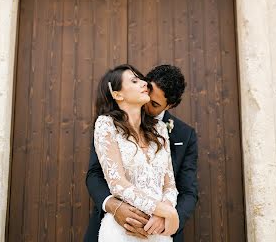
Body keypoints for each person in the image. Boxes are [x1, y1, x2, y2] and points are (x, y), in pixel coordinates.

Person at [85, 64, 198, 242]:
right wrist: (114, 206)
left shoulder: (170, 131)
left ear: (169, 106)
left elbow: (183, 189)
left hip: (160, 232)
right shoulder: (107, 125)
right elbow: (96, 174)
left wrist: (166, 216)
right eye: (142, 84)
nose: (144, 90)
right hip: (121, 227)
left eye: (154, 104)